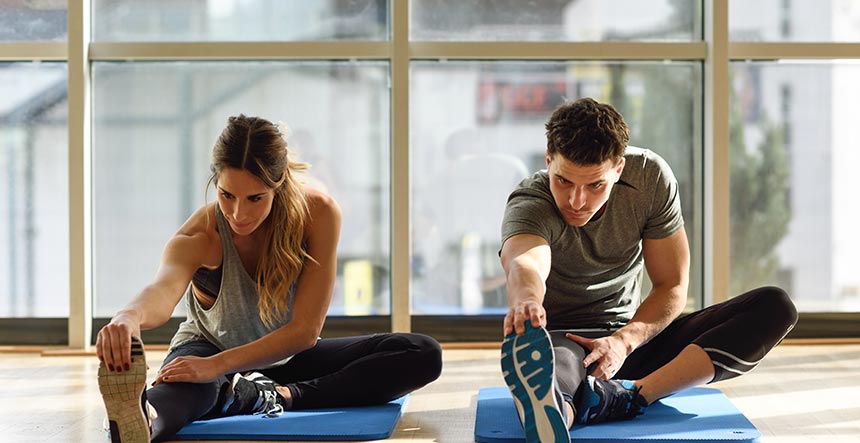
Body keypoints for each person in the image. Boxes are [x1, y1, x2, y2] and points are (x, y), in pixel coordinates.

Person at [96, 115, 443, 443]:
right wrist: (129, 317)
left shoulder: (318, 214)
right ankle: (144, 420)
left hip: (286, 358)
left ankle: (274, 395)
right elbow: (163, 288)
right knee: (191, 389)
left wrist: (222, 367)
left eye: (254, 198)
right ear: (215, 183)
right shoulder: (202, 234)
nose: (238, 213)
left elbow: (305, 332)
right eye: (226, 195)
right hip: (207, 350)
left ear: (278, 186)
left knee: (422, 353)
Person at [499, 98, 797, 443]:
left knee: (774, 306)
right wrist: (527, 301)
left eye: (595, 185)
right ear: (549, 160)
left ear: (619, 170)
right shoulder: (530, 201)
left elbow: (672, 284)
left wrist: (623, 342)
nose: (576, 201)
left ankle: (631, 395)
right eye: (564, 181)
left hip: (633, 341)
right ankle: (555, 416)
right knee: (551, 372)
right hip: (561, 341)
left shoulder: (650, 178)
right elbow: (526, 260)